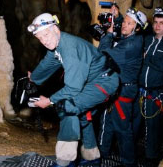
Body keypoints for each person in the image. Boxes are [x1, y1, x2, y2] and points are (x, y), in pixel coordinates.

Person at [27, 13, 119, 167]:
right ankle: (92, 157)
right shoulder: (57, 46)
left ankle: (65, 161)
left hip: (104, 81)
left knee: (67, 107)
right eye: (40, 38)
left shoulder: (69, 48)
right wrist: (34, 78)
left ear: (56, 29)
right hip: (93, 82)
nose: (44, 40)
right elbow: (46, 64)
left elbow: (73, 89)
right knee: (82, 115)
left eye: (46, 34)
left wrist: (49, 101)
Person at [97, 8, 147, 167]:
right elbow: (124, 29)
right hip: (120, 88)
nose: (124, 25)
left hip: (124, 91)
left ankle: (129, 163)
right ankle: (103, 153)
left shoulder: (130, 45)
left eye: (129, 23)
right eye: (124, 22)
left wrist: (109, 34)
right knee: (110, 124)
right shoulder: (132, 38)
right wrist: (117, 18)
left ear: (137, 28)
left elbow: (103, 54)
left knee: (123, 129)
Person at [133, 7, 163, 164]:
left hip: (155, 93)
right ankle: (130, 154)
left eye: (162, 23)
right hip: (138, 91)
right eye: (155, 22)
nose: (157, 26)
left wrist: (146, 58)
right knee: (133, 124)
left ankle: (151, 158)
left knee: (152, 128)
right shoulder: (148, 39)